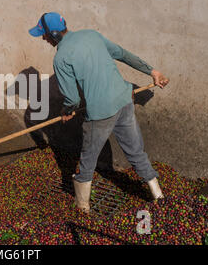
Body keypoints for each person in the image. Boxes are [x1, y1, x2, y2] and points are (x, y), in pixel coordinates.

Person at [29, 12, 169, 213]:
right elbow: (121, 53)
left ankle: (82, 207)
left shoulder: (61, 58)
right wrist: (151, 71)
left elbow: (73, 100)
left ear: (54, 34)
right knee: (135, 151)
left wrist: (67, 110)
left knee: (87, 159)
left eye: (44, 35)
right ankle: (158, 194)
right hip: (124, 100)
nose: (43, 38)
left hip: (101, 114)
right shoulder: (91, 35)